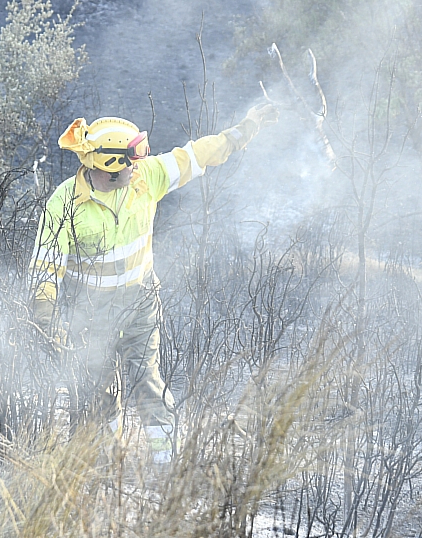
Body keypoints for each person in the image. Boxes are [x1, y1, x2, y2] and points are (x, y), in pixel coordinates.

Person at [28, 103, 279, 462]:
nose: (136, 165)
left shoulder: (146, 177)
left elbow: (196, 155)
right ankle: (106, 459)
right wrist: (44, 319)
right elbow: (45, 270)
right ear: (109, 165)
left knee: (147, 380)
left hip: (141, 303)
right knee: (100, 389)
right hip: (91, 313)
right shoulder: (64, 205)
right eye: (129, 159)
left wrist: (242, 131)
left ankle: (165, 461)